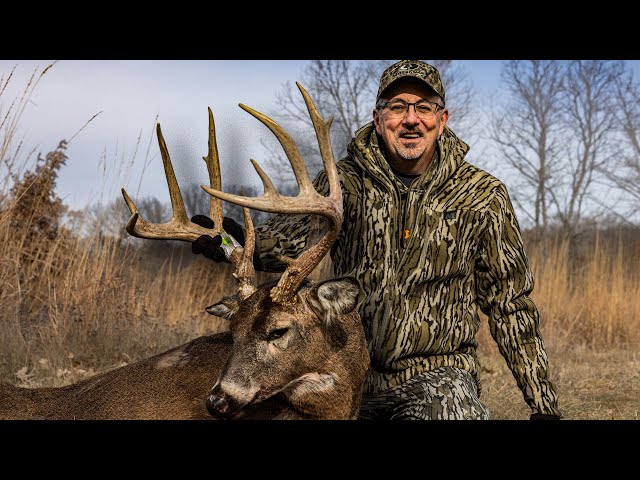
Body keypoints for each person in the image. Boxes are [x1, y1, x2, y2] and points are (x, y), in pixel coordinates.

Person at [191, 60, 562, 420]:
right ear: (378, 117)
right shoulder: (342, 185)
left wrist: (543, 405)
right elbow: (286, 248)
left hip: (437, 378)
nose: (411, 119)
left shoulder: (482, 196)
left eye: (424, 108)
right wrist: (228, 242)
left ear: (442, 119)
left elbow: (510, 305)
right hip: (347, 374)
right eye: (398, 107)